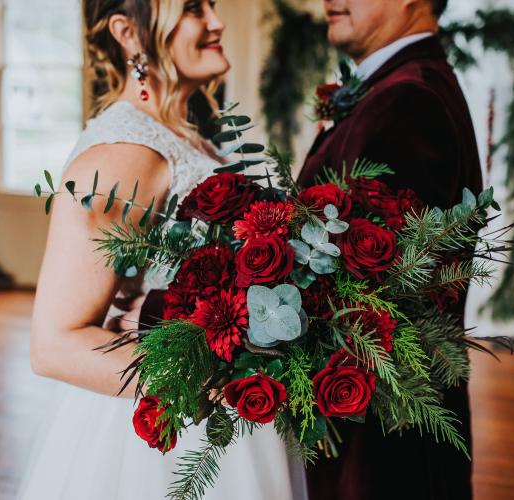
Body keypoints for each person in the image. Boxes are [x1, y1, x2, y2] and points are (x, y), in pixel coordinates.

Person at [20, 1, 305, 499]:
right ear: (129, 33)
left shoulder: (187, 136)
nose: (216, 21)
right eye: (193, 7)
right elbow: (53, 345)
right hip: (175, 441)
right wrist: (210, 379)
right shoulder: (123, 156)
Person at [297, 0, 482, 499]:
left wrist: (169, 311)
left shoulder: (407, 102)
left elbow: (348, 295)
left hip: (381, 442)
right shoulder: (401, 85)